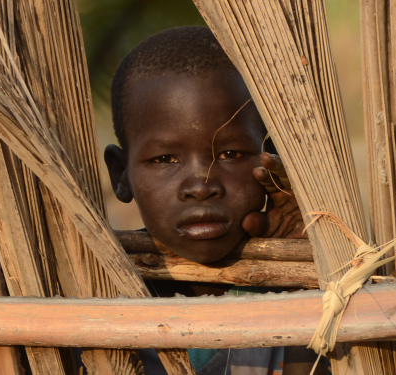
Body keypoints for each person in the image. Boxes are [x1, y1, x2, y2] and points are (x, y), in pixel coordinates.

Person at [103, 26, 325, 375]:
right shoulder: (101, 300)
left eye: (230, 153)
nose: (201, 186)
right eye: (164, 159)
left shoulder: (320, 286)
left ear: (271, 157)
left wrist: (304, 276)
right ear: (121, 174)